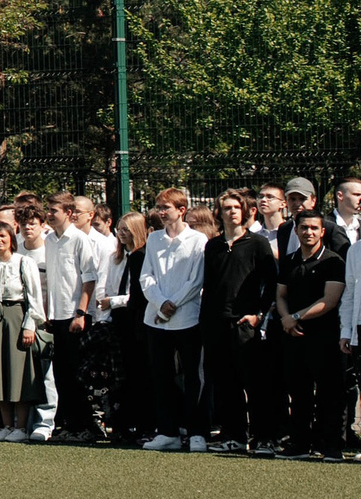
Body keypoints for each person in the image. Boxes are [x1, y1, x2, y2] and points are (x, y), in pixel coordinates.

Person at [204, 189, 277, 453]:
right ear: (219, 213)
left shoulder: (257, 244)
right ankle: (233, 437)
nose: (232, 212)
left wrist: (258, 315)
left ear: (244, 212)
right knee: (226, 385)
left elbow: (271, 284)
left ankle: (263, 438)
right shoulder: (213, 246)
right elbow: (209, 285)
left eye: (236, 207)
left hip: (246, 325)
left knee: (256, 385)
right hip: (216, 324)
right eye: (227, 208)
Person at [137, 189, 207, 453]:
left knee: (193, 376)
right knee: (161, 376)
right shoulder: (154, 239)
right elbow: (147, 277)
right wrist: (159, 303)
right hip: (156, 320)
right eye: (158, 207)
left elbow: (196, 280)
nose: (160, 212)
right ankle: (168, 431)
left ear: (182, 209)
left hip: (187, 318)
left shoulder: (198, 240)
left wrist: (171, 306)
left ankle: (197, 432)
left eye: (166, 207)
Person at [274, 209, 347, 461]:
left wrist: (294, 317)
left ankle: (330, 446)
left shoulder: (334, 261)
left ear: (322, 231)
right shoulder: (290, 261)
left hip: (324, 338)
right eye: (304, 228)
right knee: (299, 392)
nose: (309, 232)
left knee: (329, 393)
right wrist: (285, 318)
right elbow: (280, 296)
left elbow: (329, 301)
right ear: (296, 230)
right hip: (293, 337)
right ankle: (300, 444)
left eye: (314, 228)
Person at [0, 220, 46, 441]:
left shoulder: (24, 263)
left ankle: (21, 426)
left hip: (16, 319)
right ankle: (5, 425)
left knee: (17, 373)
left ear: (11, 238)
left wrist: (29, 326)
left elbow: (34, 297)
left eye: (3, 236)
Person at [37, 194, 97, 444]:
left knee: (77, 375)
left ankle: (87, 426)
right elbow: (52, 278)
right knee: (61, 374)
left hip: (75, 317)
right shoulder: (49, 240)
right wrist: (49, 311)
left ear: (69, 213)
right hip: (56, 317)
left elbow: (89, 278)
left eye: (54, 211)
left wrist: (80, 314)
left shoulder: (80, 240)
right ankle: (70, 424)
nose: (49, 215)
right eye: (48, 210)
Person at [102, 210, 152, 444]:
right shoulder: (117, 258)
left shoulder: (142, 256)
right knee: (121, 376)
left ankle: (143, 424)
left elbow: (137, 294)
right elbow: (112, 286)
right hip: (119, 320)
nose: (122, 234)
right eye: (119, 230)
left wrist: (114, 301)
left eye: (126, 230)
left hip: (136, 320)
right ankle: (123, 424)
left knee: (140, 374)